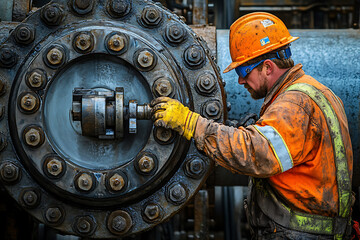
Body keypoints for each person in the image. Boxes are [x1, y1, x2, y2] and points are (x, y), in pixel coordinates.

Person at [151, 12, 353, 239]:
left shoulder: (296, 104)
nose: (240, 80)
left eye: (243, 71)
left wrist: (192, 124)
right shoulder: (312, 92)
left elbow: (257, 153)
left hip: (302, 233)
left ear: (267, 67)